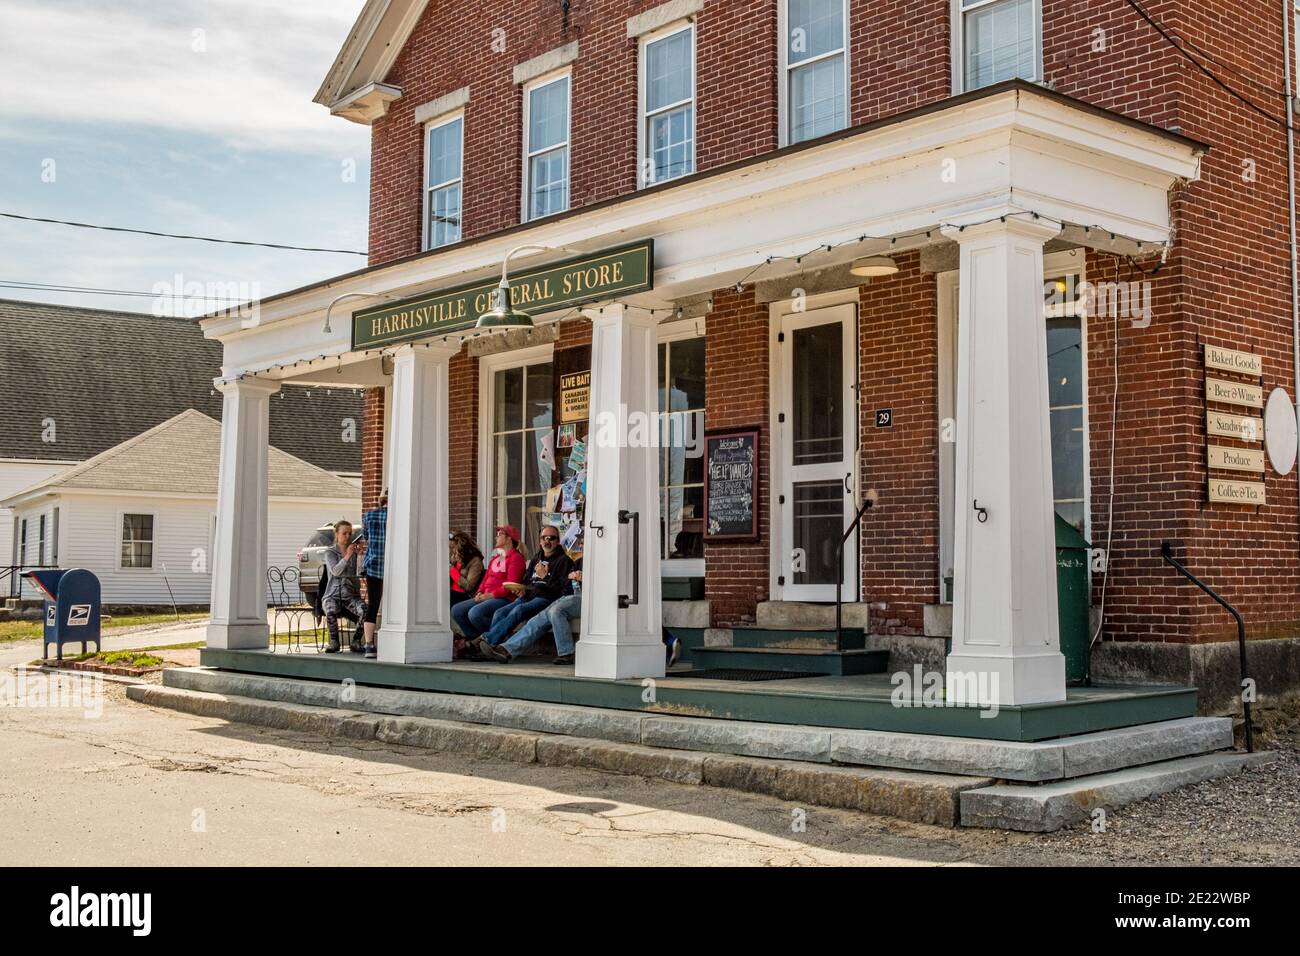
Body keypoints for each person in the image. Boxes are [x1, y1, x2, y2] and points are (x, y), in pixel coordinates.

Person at [475, 525, 572, 659]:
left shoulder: (564, 561)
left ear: (557, 541)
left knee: (519, 610)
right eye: (544, 538)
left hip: (546, 598)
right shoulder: (536, 558)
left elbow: (564, 588)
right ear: (539, 540)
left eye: (551, 538)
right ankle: (494, 649)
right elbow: (526, 579)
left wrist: (546, 577)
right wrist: (521, 589)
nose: (547, 541)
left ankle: (488, 640)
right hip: (528, 595)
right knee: (500, 612)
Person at [484, 558, 582, 664]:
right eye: (581, 543)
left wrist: (585, 578)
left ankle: (566, 653)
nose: (582, 545)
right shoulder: (579, 562)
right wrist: (570, 578)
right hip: (569, 597)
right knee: (537, 620)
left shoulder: (596, 561)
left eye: (583, 543)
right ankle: (507, 649)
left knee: (556, 611)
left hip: (588, 600)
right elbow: (565, 587)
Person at [450, 524, 524, 639]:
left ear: (509, 538)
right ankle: (475, 640)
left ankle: (497, 637)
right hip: (486, 596)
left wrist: (490, 595)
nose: (496, 537)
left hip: (504, 599)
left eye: (500, 534)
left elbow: (511, 585)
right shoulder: (496, 558)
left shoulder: (516, 558)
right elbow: (485, 579)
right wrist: (479, 592)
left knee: (475, 613)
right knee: (457, 610)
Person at [322, 519, 367, 654]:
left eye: (350, 534)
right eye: (344, 533)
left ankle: (356, 641)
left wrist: (359, 556)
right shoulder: (330, 552)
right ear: (336, 534)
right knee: (330, 609)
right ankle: (334, 642)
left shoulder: (353, 551)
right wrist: (347, 556)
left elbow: (360, 572)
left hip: (351, 594)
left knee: (365, 610)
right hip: (333, 594)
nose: (348, 536)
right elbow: (335, 571)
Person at [355, 490, 387, 660]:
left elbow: (366, 537)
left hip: (374, 565)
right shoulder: (399, 517)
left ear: (381, 500)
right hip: (393, 566)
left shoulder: (369, 516)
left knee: (373, 604)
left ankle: (369, 644)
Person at [449, 531, 485, 609]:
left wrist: (452, 571)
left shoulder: (476, 561)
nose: (452, 551)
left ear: (462, 548)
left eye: (453, 548)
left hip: (466, 596)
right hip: (453, 592)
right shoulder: (455, 559)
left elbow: (469, 586)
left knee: (447, 595)